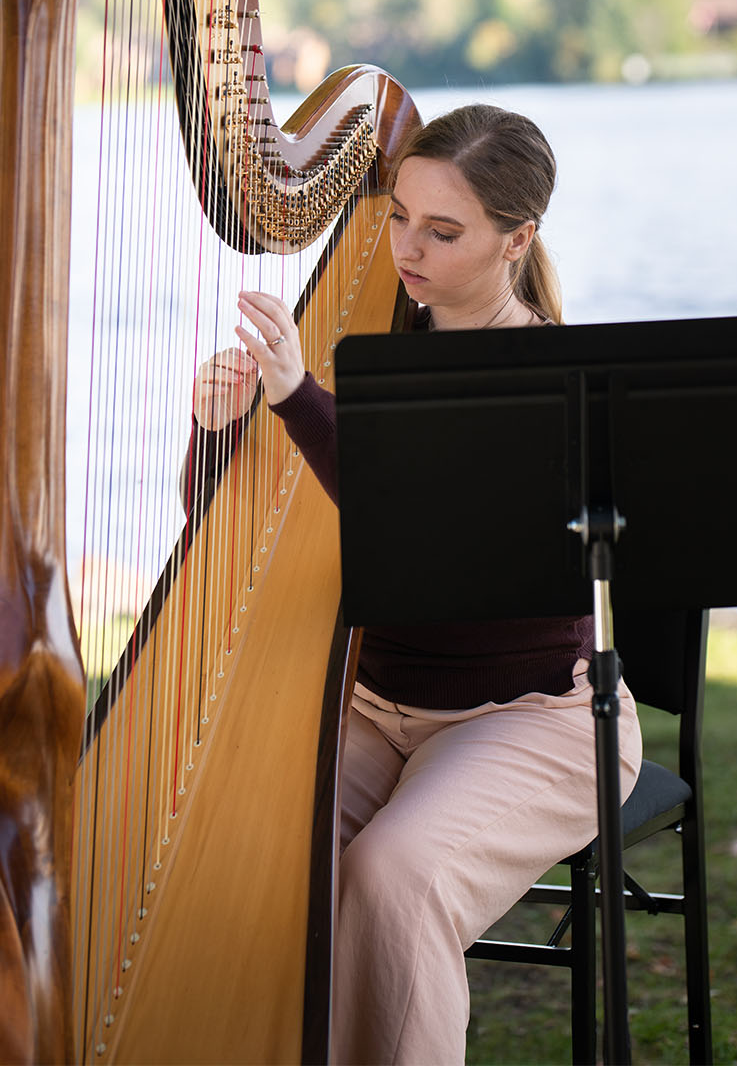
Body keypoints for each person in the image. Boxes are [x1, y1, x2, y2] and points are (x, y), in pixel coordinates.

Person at [189, 104, 642, 1066]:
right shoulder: (367, 341)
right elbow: (217, 528)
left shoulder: (547, 378)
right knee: (227, 853)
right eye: (398, 217)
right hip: (372, 707)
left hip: (528, 719)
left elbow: (422, 524)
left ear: (518, 239)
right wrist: (219, 424)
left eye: (443, 231)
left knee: (392, 877)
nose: (407, 247)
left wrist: (298, 399)